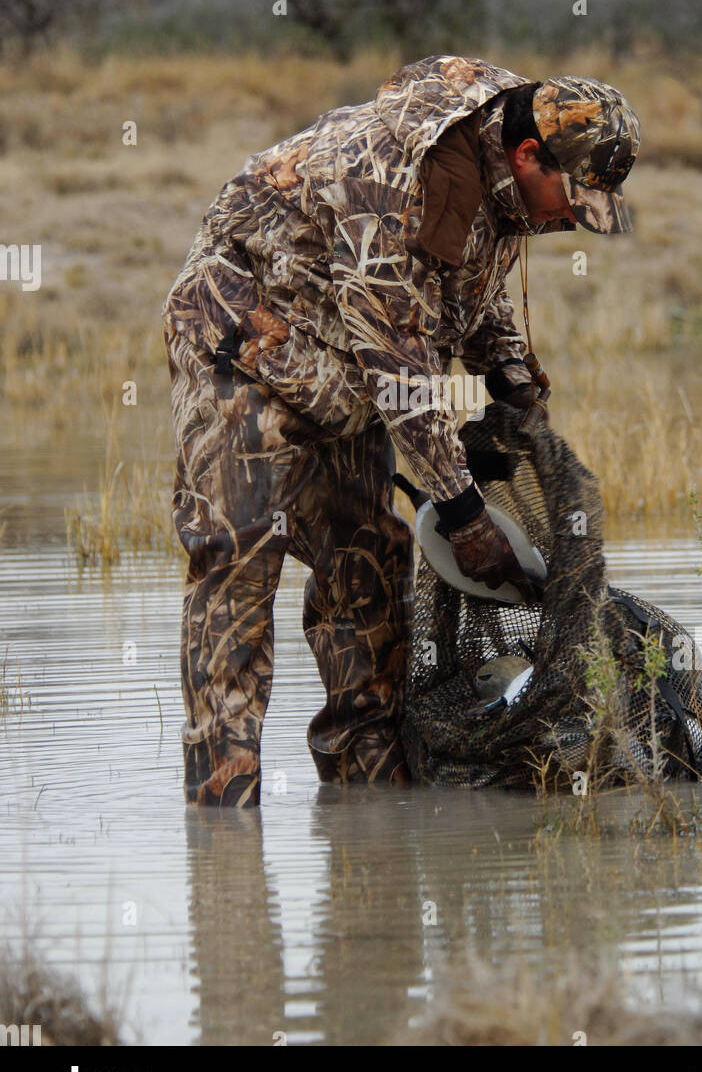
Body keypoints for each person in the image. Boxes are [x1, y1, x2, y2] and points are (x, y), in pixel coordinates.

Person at [162, 55, 640, 805]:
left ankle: (372, 815)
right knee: (238, 557)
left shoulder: (494, 171)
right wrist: (461, 513)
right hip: (242, 346)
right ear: (526, 155)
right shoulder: (389, 184)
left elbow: (466, 286)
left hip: (343, 369)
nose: (565, 218)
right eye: (568, 196)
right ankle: (224, 815)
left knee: (371, 573)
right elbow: (401, 367)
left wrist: (510, 375)